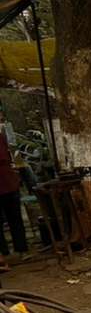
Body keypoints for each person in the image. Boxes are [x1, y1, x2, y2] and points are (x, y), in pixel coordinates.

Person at [0, 114, 27, 272]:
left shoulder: (3, 135)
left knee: (15, 218)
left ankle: (13, 251)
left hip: (8, 183)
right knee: (15, 219)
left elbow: (10, 156)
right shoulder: (3, 136)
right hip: (8, 183)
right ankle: (9, 253)